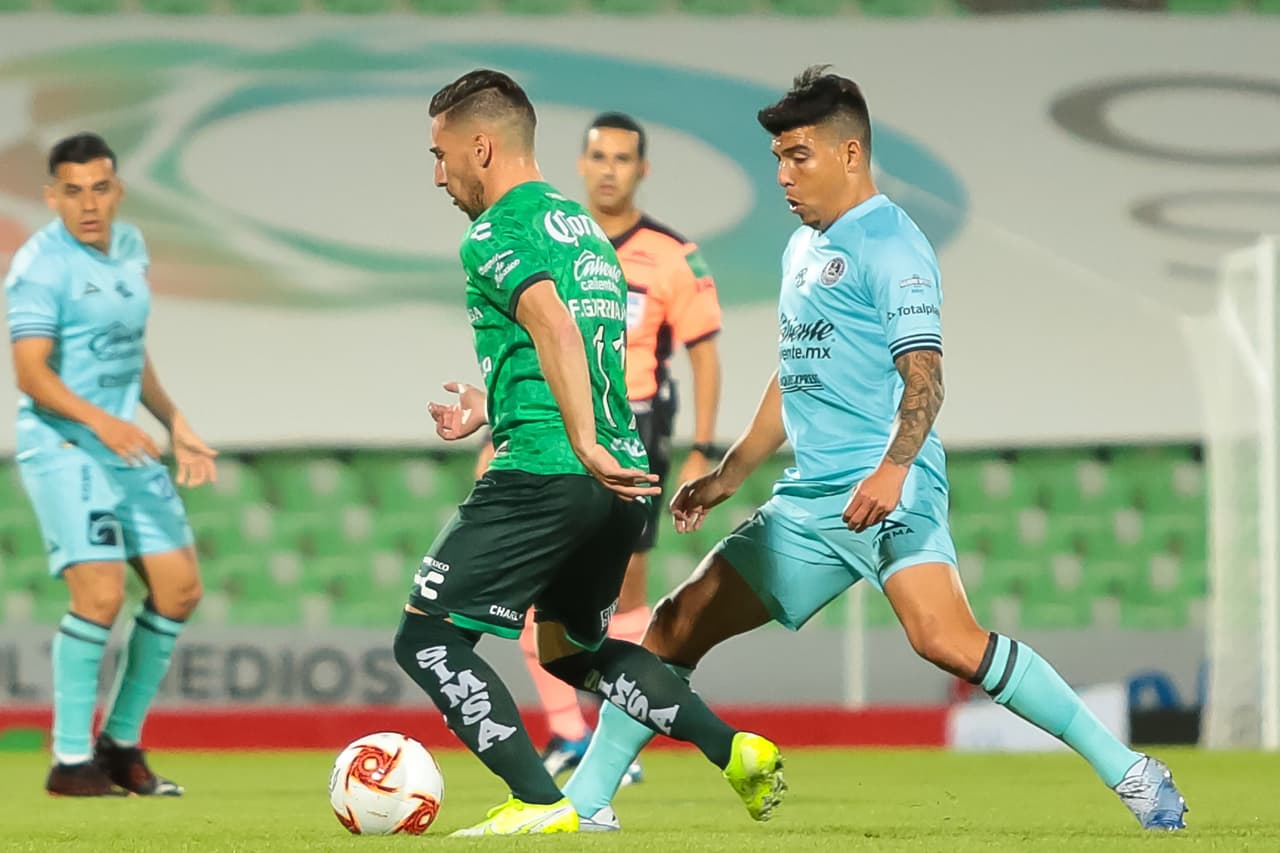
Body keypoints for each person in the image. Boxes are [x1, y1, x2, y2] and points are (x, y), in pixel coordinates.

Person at [562, 65, 1189, 833]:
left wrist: (894, 468)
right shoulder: (803, 247)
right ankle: (586, 803)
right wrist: (731, 472)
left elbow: (924, 374)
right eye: (778, 160)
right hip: (811, 502)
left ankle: (1131, 771)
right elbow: (794, 368)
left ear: (849, 153)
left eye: (798, 157)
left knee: (945, 640)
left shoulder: (893, 243)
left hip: (892, 485)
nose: (784, 176)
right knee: (674, 622)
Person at [390, 69, 785, 837]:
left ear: (482, 146)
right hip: (617, 477)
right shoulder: (585, 232)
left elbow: (555, 329)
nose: (438, 176)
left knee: (428, 634)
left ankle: (539, 801)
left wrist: (570, 439)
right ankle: (732, 747)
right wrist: (491, 402)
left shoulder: (495, 232)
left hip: (548, 467)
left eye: (441, 156)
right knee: (574, 649)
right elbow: (587, 346)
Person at [479, 111, 725, 783]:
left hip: (634, 425)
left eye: (624, 158)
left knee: (620, 593)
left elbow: (705, 354)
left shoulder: (672, 253)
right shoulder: (556, 239)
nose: (610, 168)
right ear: (581, 164)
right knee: (536, 579)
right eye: (599, 156)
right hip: (548, 420)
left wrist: (704, 446)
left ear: (641, 170)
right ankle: (567, 731)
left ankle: (614, 735)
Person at [4, 132, 218, 797]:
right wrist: (103, 421)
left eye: (99, 188)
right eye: (72, 191)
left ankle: (119, 746)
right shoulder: (40, 267)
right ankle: (70, 762)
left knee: (179, 586)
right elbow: (31, 373)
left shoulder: (130, 248)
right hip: (66, 446)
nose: (87, 203)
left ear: (117, 190)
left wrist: (174, 420)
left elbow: (128, 348)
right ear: (53, 196)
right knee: (99, 593)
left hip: (124, 443)